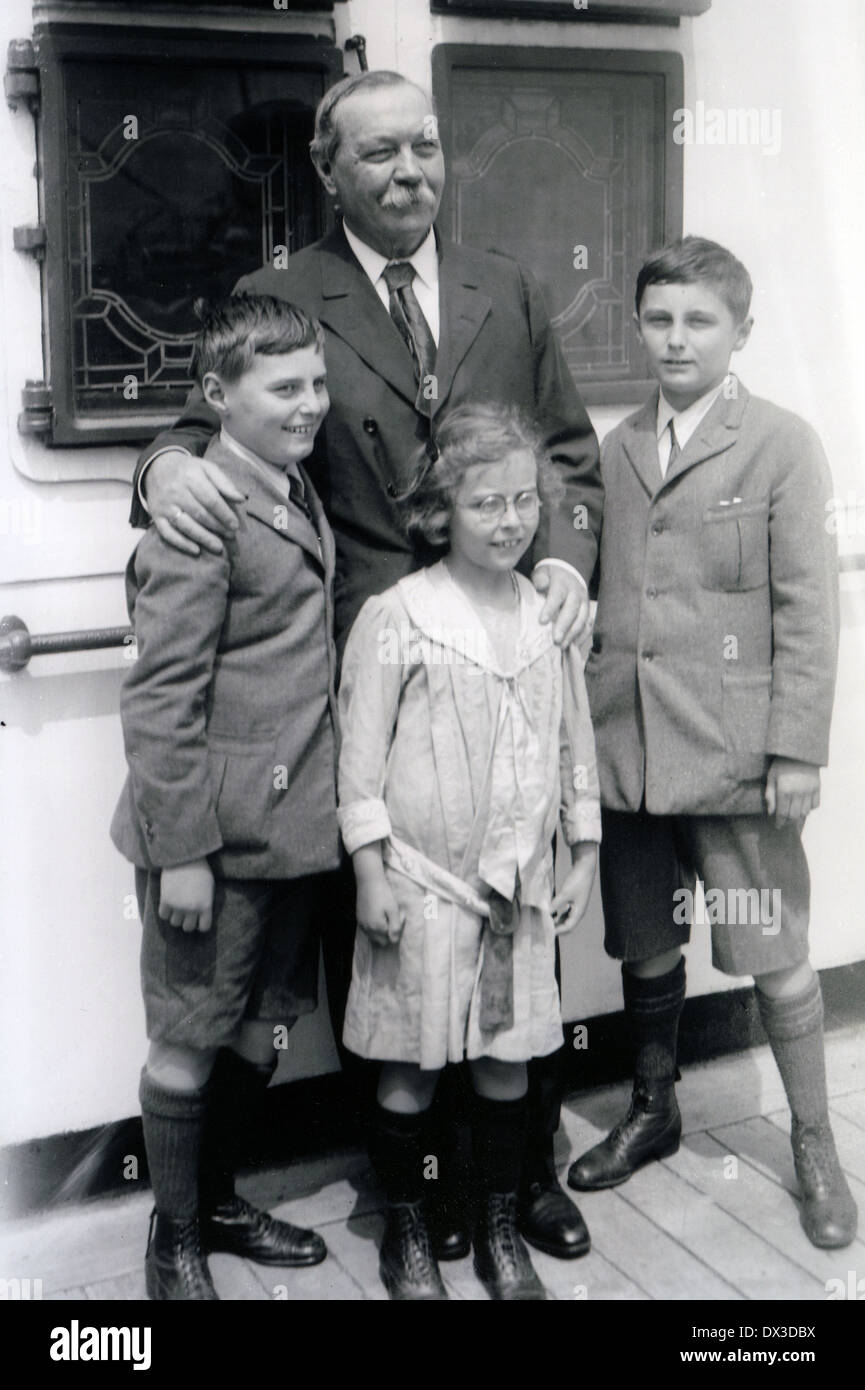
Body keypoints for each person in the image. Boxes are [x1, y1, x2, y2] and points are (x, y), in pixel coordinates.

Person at [128, 69, 604, 1260]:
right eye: (380, 155)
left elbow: (572, 462)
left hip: (498, 663)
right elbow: (206, 428)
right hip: (366, 677)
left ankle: (519, 1178)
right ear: (329, 172)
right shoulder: (279, 295)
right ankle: (416, 1192)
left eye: (425, 148)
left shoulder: (512, 286)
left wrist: (571, 564)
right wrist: (160, 475)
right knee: (385, 939)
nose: (410, 173)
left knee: (512, 912)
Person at [566, 236, 857, 1250]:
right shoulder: (615, 448)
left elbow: (808, 611)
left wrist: (796, 751)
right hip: (631, 754)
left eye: (699, 320)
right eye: (658, 319)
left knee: (770, 950)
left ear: (740, 331)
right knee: (645, 940)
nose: (676, 338)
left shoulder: (780, 442)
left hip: (737, 759)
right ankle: (654, 1107)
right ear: (637, 325)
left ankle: (814, 1142)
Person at [337, 404, 601, 1299]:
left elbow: (574, 745)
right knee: (408, 1067)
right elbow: (359, 759)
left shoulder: (547, 616)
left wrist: (583, 850)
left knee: (504, 1063)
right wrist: (370, 872)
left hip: (516, 893)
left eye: (525, 501)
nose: (511, 521)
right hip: (418, 889)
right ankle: (407, 1233)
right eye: (486, 503)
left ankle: (497, 1228)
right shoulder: (397, 615)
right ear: (439, 508)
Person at [110, 295, 340, 1298]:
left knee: (260, 1025)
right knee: (187, 1038)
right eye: (283, 388)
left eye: (317, 384)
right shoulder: (198, 512)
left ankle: (218, 1202)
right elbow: (160, 697)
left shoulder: (290, 486)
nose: (310, 405)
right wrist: (183, 852)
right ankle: (174, 1243)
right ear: (218, 399)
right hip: (213, 838)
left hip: (288, 830)